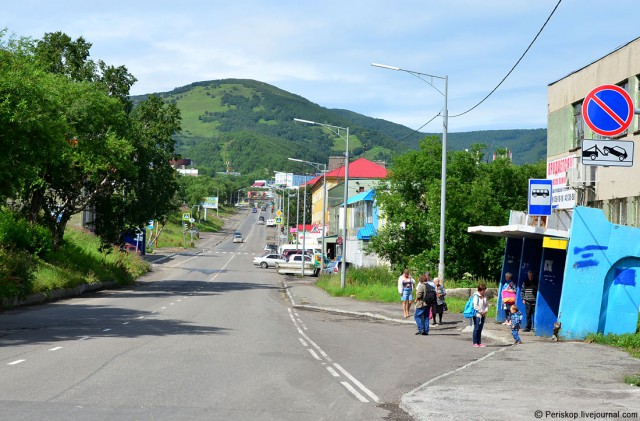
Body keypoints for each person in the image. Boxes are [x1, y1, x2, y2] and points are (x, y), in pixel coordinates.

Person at [472, 283, 489, 348]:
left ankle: (479, 342)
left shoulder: (484, 296)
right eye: (483, 290)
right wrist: (481, 311)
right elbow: (475, 306)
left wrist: (485, 311)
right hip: (477, 315)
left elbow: (486, 305)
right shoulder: (476, 296)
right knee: (476, 328)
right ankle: (475, 342)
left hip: (483, 314)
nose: (484, 292)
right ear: (480, 290)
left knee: (480, 329)